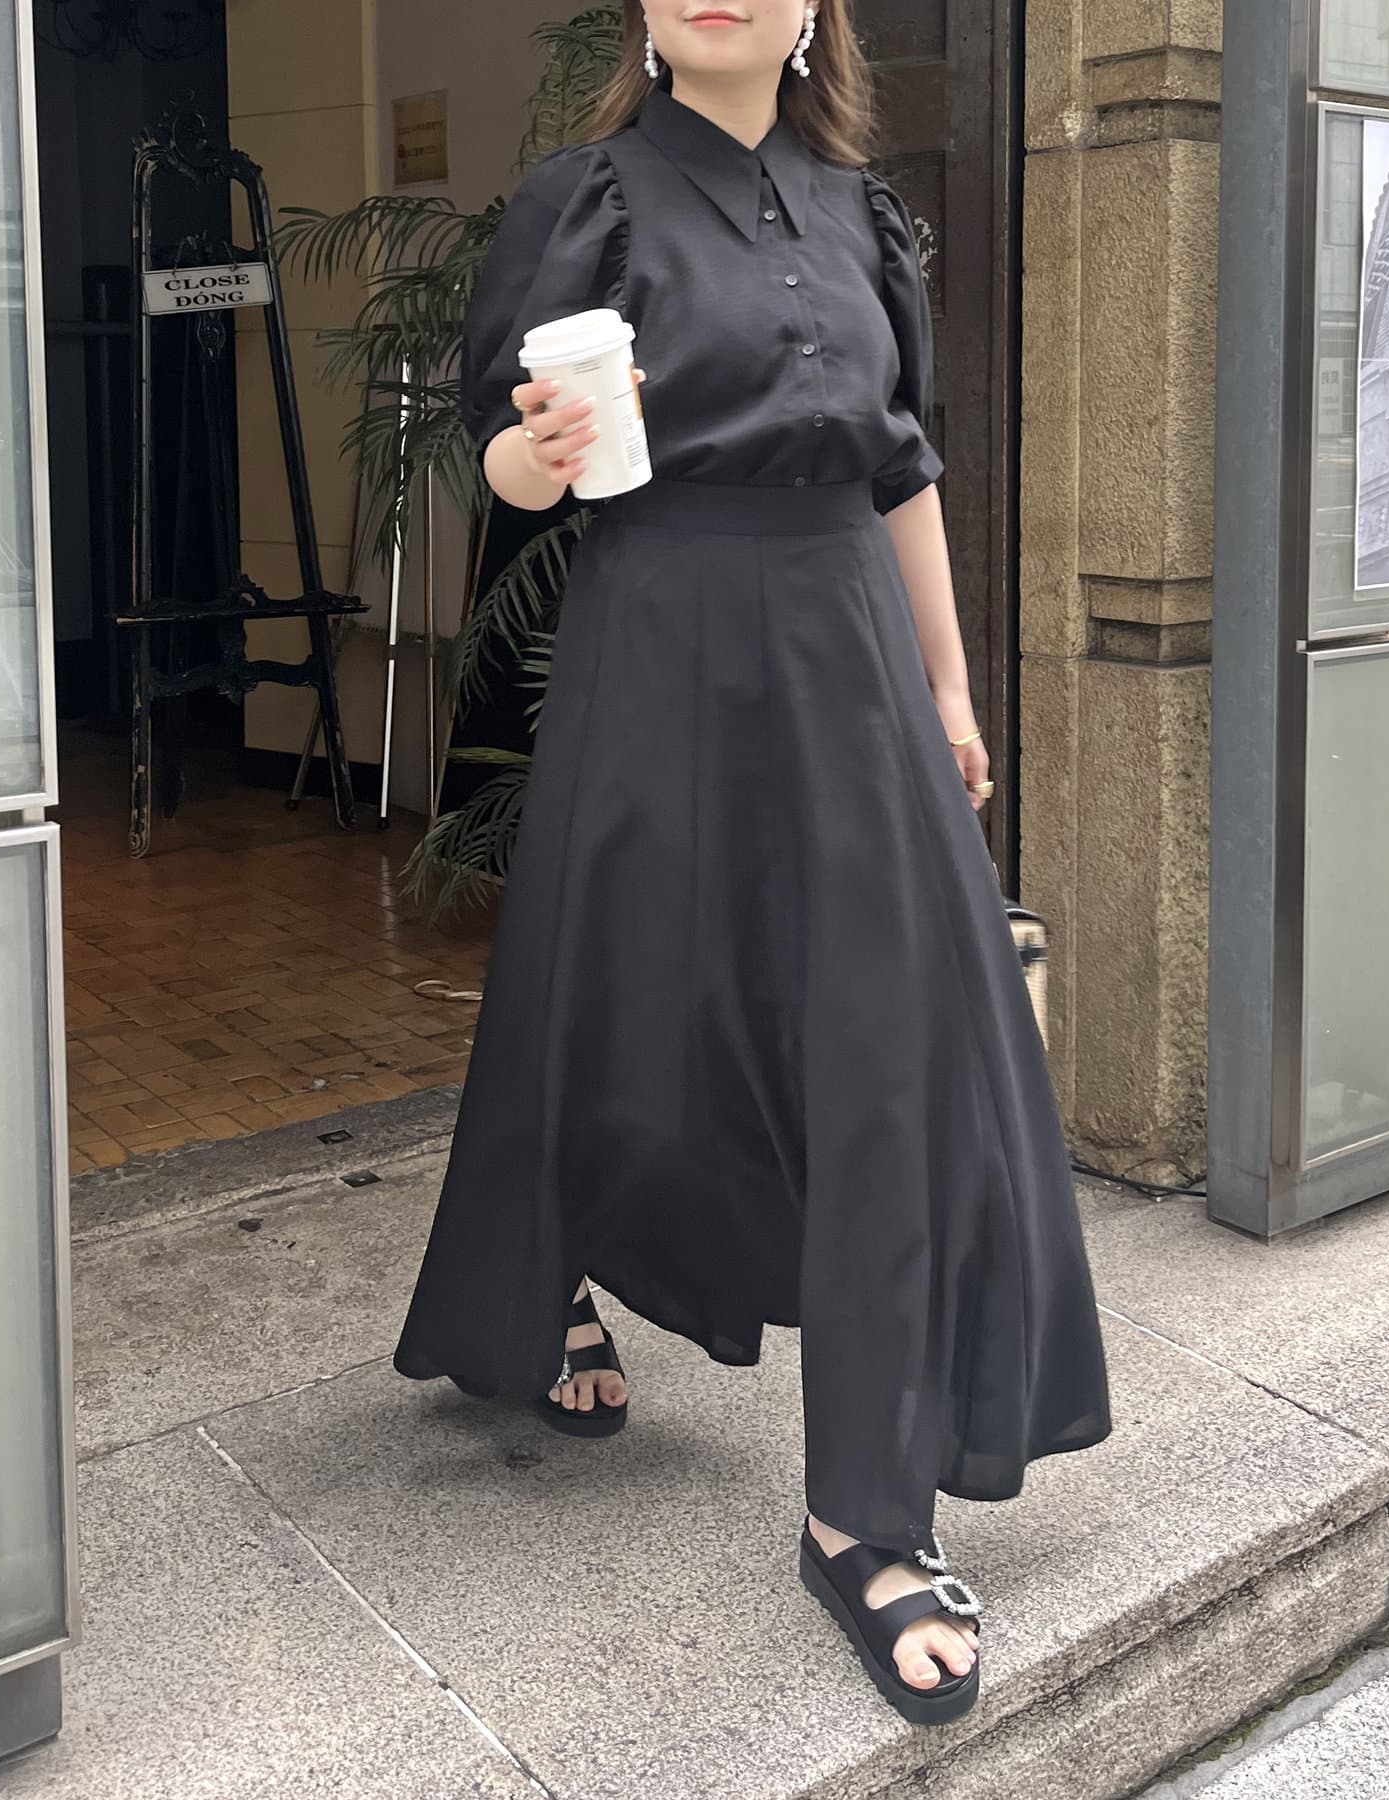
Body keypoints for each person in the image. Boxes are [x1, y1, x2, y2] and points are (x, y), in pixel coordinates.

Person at [395, 0, 1112, 1726]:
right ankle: (549, 1277)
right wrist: (536, 453)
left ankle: (865, 1511)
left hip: (850, 659)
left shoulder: (867, 216)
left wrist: (950, 689)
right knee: (617, 1007)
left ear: (812, 15)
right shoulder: (585, 198)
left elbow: (899, 469)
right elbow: (501, 458)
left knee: (890, 1057)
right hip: (658, 646)